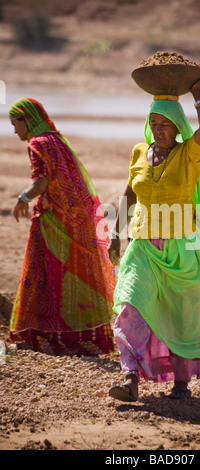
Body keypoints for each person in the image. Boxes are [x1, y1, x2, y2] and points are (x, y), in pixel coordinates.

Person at [108, 71, 200, 401]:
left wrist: (197, 94)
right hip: (143, 246)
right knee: (131, 307)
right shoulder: (139, 153)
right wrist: (113, 232)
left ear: (178, 126)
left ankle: (181, 382)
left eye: (165, 124)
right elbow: (129, 195)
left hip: (182, 246)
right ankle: (129, 379)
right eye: (154, 124)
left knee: (181, 314)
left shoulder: (189, 154)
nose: (158, 130)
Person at [9, 98, 115, 356]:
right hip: (75, 220)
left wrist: (22, 198)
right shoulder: (57, 139)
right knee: (72, 273)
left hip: (51, 221)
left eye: (15, 124)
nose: (14, 131)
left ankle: (47, 337)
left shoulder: (37, 143)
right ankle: (82, 337)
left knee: (46, 274)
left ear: (27, 120)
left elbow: (42, 181)